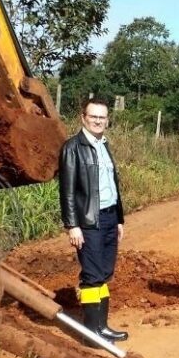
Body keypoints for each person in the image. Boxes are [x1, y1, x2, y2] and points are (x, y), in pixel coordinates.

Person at [58, 98, 128, 343]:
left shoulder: (103, 145)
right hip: (88, 221)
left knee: (104, 272)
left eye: (102, 117)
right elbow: (67, 191)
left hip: (109, 217)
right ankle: (92, 333)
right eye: (94, 116)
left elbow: (112, 186)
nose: (98, 121)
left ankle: (103, 326)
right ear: (83, 117)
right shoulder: (72, 148)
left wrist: (119, 219)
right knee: (91, 274)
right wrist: (72, 225)